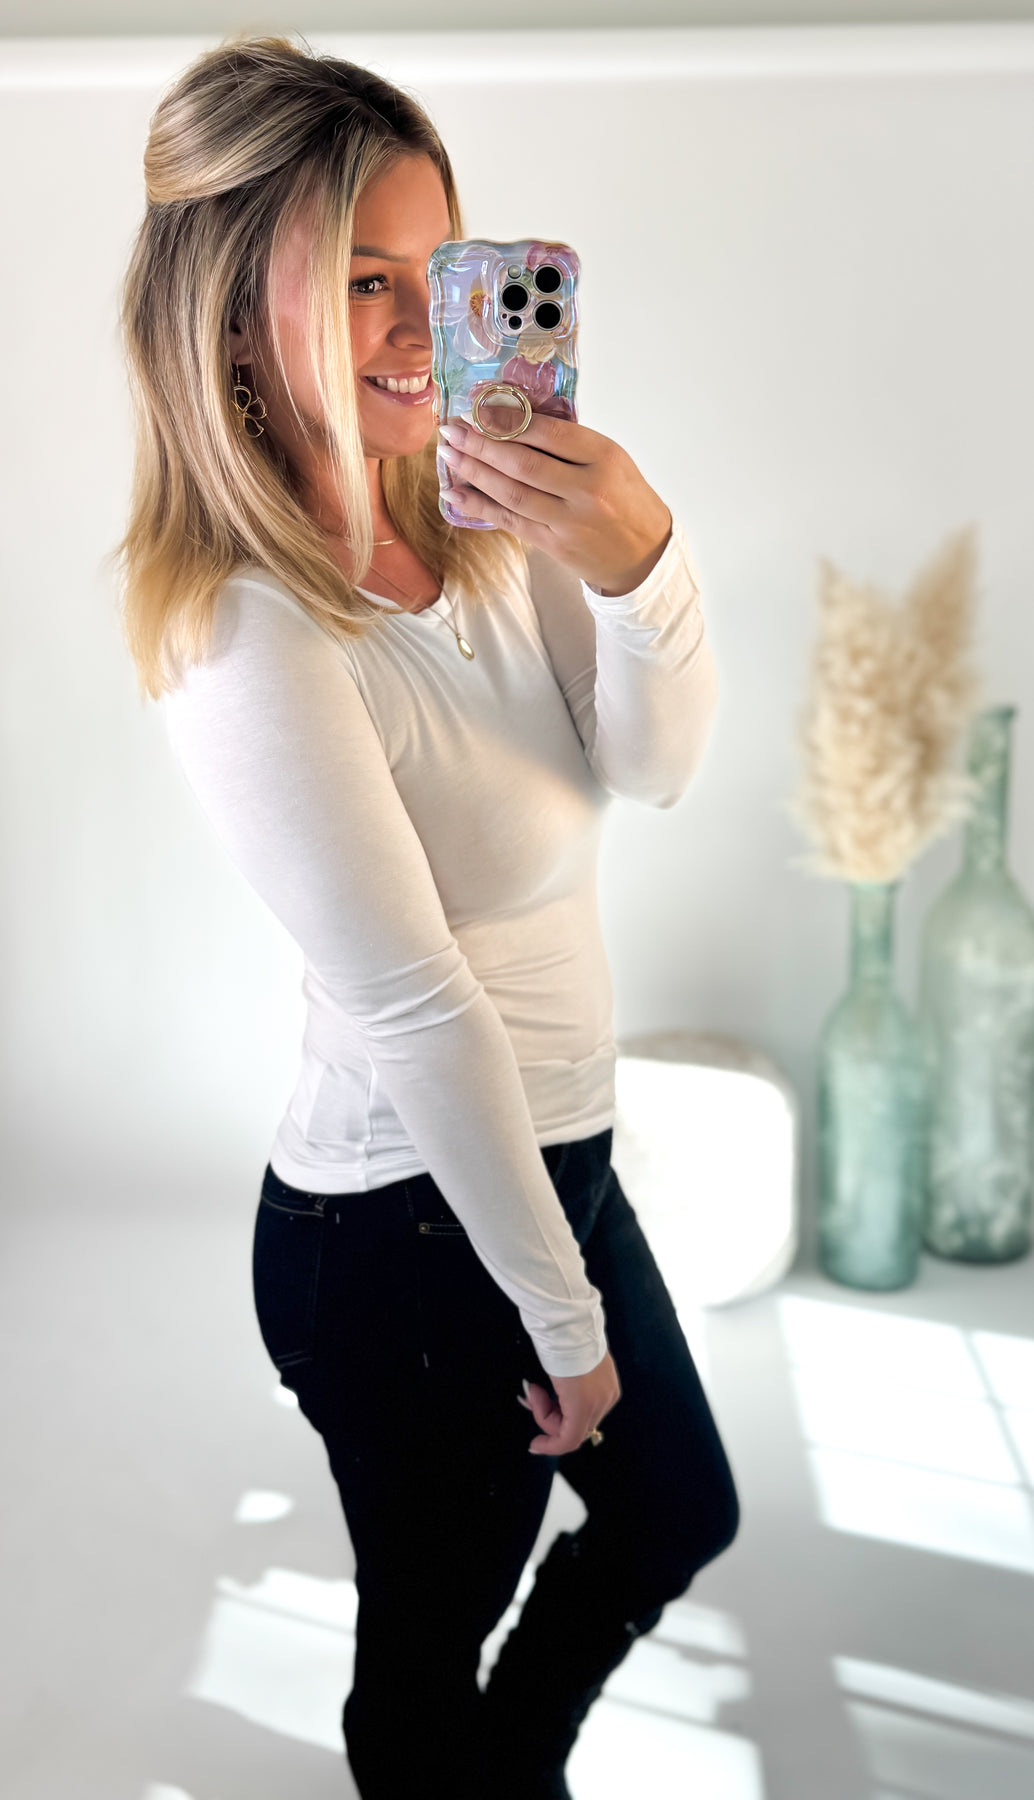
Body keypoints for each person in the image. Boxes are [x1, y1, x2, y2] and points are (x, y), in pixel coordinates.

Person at [114, 32, 740, 1800]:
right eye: (360, 280)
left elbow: (654, 764)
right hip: (403, 1231)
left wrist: (638, 560)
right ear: (236, 322)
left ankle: (508, 1776)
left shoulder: (478, 523)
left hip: (549, 1162)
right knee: (421, 1653)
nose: (417, 326)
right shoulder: (242, 627)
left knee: (674, 1511)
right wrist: (564, 1325)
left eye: (435, 268)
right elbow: (412, 1003)